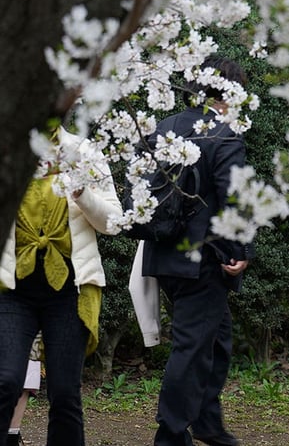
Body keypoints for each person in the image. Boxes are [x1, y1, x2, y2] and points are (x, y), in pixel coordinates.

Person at [142, 56, 253, 446]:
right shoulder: (224, 132)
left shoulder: (165, 126)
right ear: (232, 91)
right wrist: (239, 250)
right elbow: (232, 196)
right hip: (203, 260)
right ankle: (170, 434)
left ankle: (207, 421)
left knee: (216, 337)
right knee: (191, 347)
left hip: (164, 254)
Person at [0, 127, 122, 446]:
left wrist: (83, 193)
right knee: (5, 380)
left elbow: (114, 222)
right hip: (12, 289)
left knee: (65, 392)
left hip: (70, 291)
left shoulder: (83, 152)